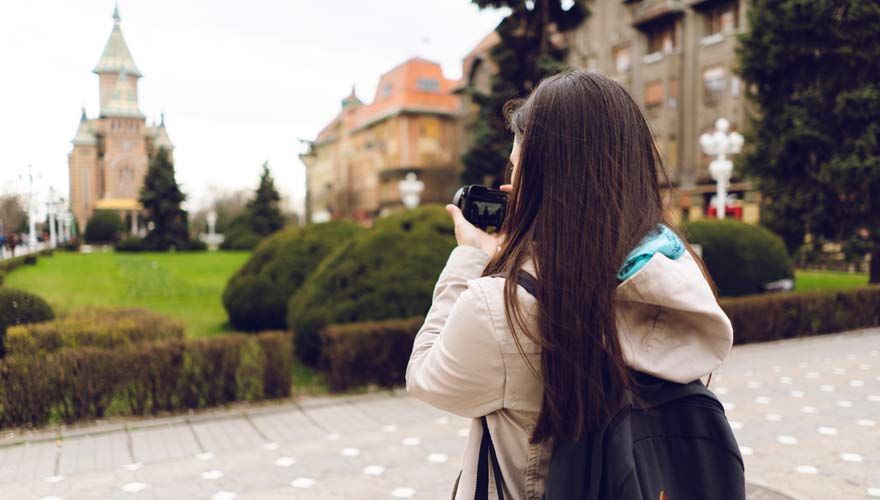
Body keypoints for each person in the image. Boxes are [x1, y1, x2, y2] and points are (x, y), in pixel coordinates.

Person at [406, 71, 733, 500]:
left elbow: (426, 377)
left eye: (517, 167)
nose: (511, 182)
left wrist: (472, 255)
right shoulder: (673, 275)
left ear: (540, 181)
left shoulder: (503, 307)